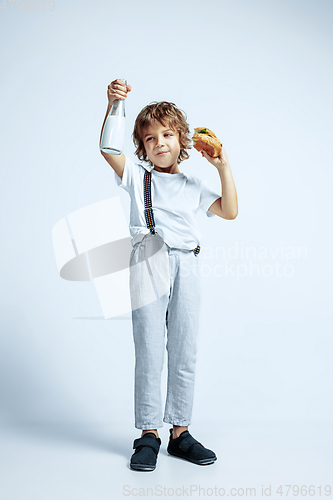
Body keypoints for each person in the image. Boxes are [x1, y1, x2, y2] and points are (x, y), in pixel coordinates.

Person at [99, 79, 238, 471]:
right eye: (149, 139)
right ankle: (147, 434)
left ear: (182, 140)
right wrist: (114, 105)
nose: (159, 142)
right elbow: (108, 147)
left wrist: (223, 166)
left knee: (184, 349)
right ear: (142, 149)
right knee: (148, 348)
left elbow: (229, 211)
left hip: (187, 262)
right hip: (149, 258)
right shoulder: (136, 177)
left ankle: (180, 433)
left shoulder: (193, 183)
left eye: (167, 134)